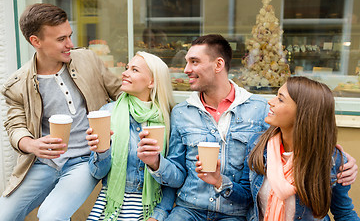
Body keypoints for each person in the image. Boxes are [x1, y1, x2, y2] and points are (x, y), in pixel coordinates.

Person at [137, 34, 358, 221]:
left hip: (235, 212)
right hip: (190, 208)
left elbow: (306, 137)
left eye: (194, 62)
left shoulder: (260, 110)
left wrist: (340, 159)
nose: (186, 69)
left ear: (218, 65)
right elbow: (176, 174)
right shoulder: (182, 113)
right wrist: (156, 164)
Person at [0, 3, 122, 220]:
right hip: (43, 163)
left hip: (85, 161)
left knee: (50, 216)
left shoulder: (89, 60)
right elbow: (14, 125)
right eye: (61, 39)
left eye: (69, 36)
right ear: (35, 41)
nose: (70, 44)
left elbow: (121, 94)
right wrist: (31, 144)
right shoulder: (17, 84)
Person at [197, 76, 359, 220]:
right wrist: (219, 181)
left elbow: (343, 213)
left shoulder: (332, 160)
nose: (270, 102)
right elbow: (247, 197)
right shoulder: (258, 145)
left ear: (303, 112)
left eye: (280, 99)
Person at [86, 51, 176, 221]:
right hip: (110, 205)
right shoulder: (107, 113)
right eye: (127, 68)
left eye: (134, 70)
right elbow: (97, 173)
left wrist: (158, 216)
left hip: (151, 207)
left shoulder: (169, 119)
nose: (125, 73)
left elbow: (174, 181)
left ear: (152, 81)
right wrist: (102, 151)